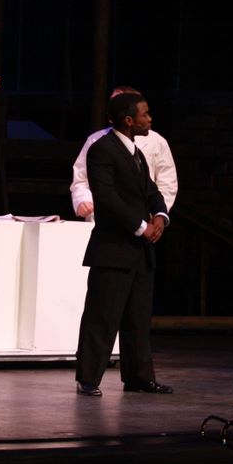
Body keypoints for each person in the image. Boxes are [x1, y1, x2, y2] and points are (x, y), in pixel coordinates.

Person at [74, 92, 171, 397]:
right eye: (145, 114)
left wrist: (160, 216)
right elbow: (107, 198)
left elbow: (151, 191)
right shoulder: (102, 149)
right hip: (113, 249)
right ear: (129, 120)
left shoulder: (136, 153)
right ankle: (88, 378)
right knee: (102, 316)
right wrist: (141, 226)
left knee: (137, 318)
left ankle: (139, 377)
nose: (149, 119)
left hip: (140, 252)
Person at [71, 86, 177, 220]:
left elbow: (166, 183)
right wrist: (82, 199)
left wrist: (158, 213)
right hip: (102, 219)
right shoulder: (95, 140)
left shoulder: (156, 142)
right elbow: (81, 178)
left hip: (143, 218)